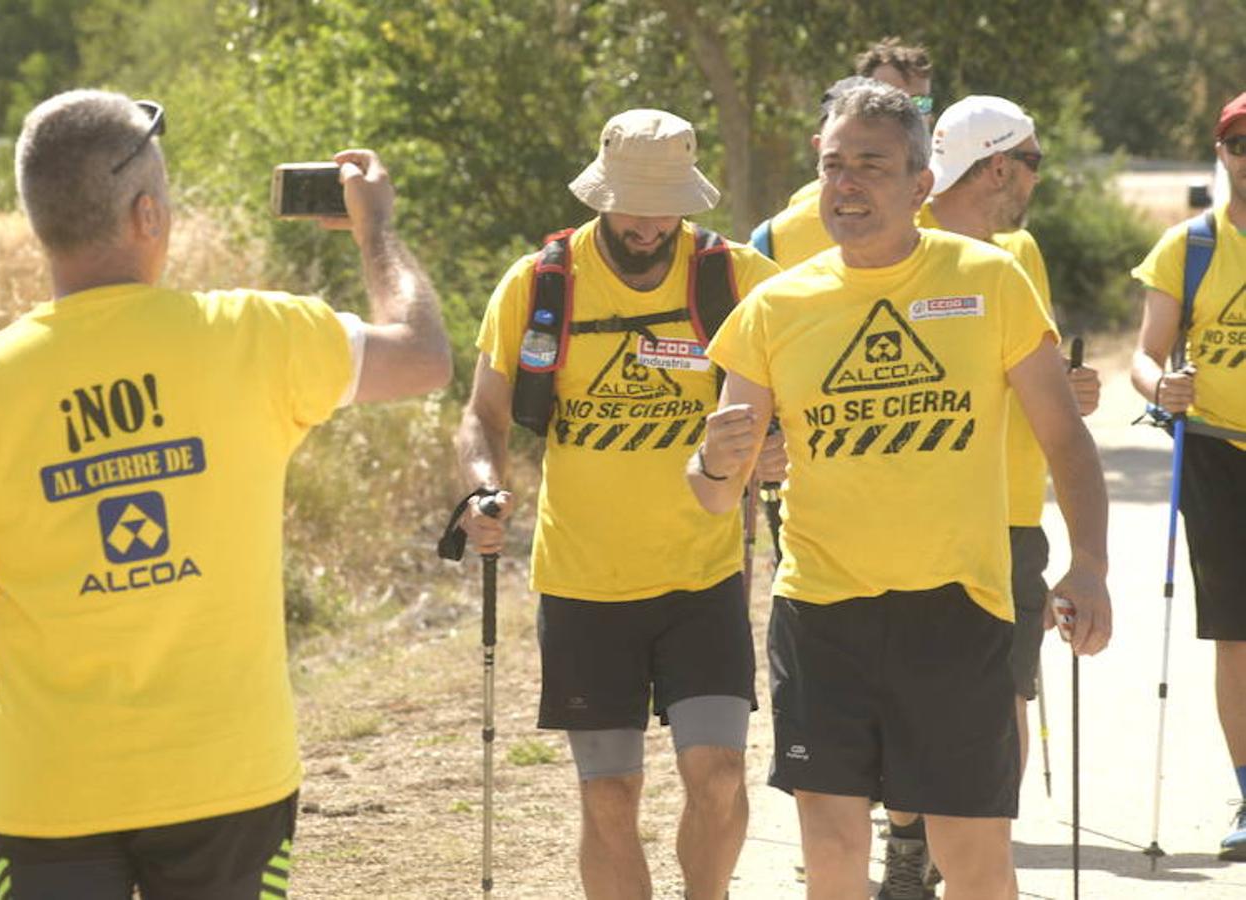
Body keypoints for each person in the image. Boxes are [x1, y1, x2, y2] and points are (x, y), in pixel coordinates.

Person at [0, 89, 451, 898]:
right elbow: (422, 354)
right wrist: (375, 230)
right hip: (227, 783)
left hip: (47, 796)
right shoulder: (254, 337)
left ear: (42, 223)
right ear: (147, 215)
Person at [693, 83, 1112, 899]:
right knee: (832, 855)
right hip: (819, 614)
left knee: (973, 857)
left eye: (870, 165)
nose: (845, 184)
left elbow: (1064, 437)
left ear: (921, 184)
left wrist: (1088, 564)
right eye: (832, 165)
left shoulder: (989, 280)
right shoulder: (774, 307)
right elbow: (714, 495)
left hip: (956, 607)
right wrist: (713, 464)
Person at [455, 108, 780, 898]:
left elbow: (803, 395)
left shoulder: (736, 280)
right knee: (608, 794)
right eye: (630, 206)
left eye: (663, 208)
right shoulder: (539, 284)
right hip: (583, 585)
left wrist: (781, 446)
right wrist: (480, 488)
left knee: (718, 774)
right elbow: (483, 415)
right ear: (601, 195)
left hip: (702, 579)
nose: (645, 226)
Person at [860, 94, 1105, 899]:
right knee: (904, 703)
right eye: (1031, 163)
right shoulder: (898, 244)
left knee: (1005, 697)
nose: (1035, 179)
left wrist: (1068, 389)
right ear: (997, 167)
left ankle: (979, 861)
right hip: (910, 514)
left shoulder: (1020, 254)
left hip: (1007, 516)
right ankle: (907, 847)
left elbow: (1035, 375)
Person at [1129, 89, 1246, 862]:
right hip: (1213, 452)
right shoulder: (1189, 246)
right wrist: (1160, 388)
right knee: (1236, 634)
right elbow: (1145, 357)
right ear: (1220, 152)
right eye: (1239, 145)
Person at [751, 37, 934, 269]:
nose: (906, 113)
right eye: (888, 100)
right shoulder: (774, 237)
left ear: (921, 187)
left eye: (920, 102)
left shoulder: (952, 213)